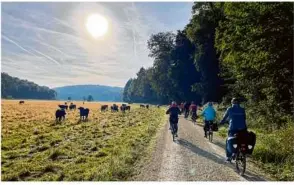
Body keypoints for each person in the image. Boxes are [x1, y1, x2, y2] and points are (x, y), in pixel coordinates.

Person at [220, 98, 247, 162]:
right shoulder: (242, 109)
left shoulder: (230, 109)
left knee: (228, 140)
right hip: (243, 128)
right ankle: (242, 151)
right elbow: (244, 118)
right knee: (242, 139)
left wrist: (221, 122)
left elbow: (225, 117)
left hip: (233, 128)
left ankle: (229, 157)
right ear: (239, 103)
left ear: (232, 102)